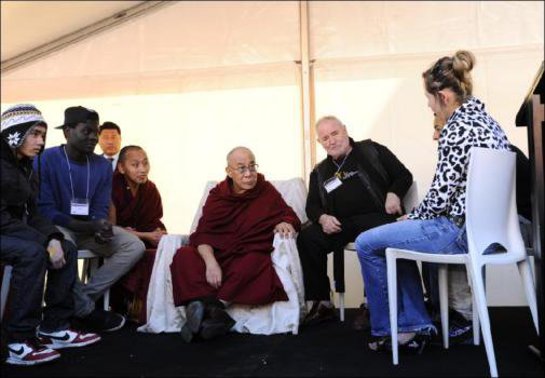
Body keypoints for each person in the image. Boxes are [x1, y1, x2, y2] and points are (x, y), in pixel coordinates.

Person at [355, 50, 511, 353]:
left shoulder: (455, 126)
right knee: (393, 239)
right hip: (485, 230)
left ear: (443, 96)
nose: (429, 106)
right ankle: (416, 322)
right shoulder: (488, 122)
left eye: (428, 99)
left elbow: (440, 197)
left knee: (366, 242)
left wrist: (412, 217)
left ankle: (396, 329)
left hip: (457, 231)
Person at [1, 104, 100, 366]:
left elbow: (33, 213)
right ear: (15, 133)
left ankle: (54, 326)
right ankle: (18, 341)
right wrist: (44, 241)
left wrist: (53, 237)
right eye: (33, 134)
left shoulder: (27, 167)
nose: (40, 142)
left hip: (12, 231)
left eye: (43, 135)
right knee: (32, 253)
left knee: (65, 246)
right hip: (4, 231)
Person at [169, 146, 301, 342]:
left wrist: (285, 221)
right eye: (241, 168)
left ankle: (211, 309)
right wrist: (211, 262)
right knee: (184, 256)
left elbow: (289, 214)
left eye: (252, 167)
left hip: (247, 254)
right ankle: (212, 318)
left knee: (256, 260)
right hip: (219, 255)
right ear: (229, 172)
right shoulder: (218, 195)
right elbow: (203, 233)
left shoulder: (265, 190)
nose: (249, 174)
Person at [423, 112, 534, 344]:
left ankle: (462, 317)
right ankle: (442, 312)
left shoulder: (487, 156)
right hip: (503, 224)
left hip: (517, 227)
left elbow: (472, 211)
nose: (435, 136)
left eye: (438, 128)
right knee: (438, 236)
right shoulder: (490, 151)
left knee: (451, 237)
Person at [34, 106, 146, 332]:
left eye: (96, 131)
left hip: (88, 228)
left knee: (134, 246)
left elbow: (100, 207)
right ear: (67, 132)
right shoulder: (45, 159)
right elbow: (46, 210)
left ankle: (78, 299)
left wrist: (101, 225)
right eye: (87, 131)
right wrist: (89, 224)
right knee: (65, 245)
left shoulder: (102, 166)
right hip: (58, 226)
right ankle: (85, 310)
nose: (94, 137)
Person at [297, 115, 413, 326]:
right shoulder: (320, 171)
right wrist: (323, 218)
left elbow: (403, 175)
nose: (331, 141)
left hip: (377, 217)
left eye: (335, 133)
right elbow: (311, 206)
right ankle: (322, 303)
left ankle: (373, 304)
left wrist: (394, 193)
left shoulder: (372, 150)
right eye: (325, 138)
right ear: (320, 143)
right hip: (342, 224)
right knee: (307, 239)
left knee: (374, 239)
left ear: (345, 130)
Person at [108, 145, 167, 324]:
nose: (142, 169)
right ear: (121, 168)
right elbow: (112, 227)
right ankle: (129, 304)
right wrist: (146, 236)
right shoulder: (111, 186)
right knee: (139, 250)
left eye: (145, 163)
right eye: (135, 165)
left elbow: (154, 220)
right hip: (117, 241)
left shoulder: (150, 189)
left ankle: (152, 305)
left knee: (165, 251)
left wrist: (157, 233)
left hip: (144, 237)